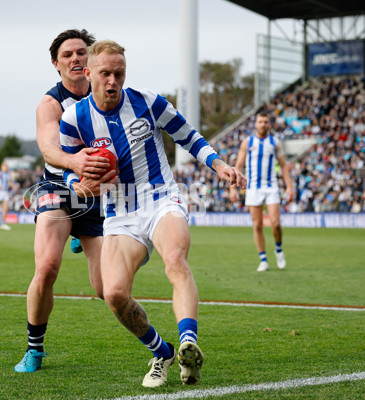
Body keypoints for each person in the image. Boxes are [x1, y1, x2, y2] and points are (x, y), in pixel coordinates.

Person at [60, 40, 246, 388]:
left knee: (175, 257)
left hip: (161, 198)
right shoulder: (73, 119)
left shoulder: (146, 101)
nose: (112, 81)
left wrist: (218, 164)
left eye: (119, 73)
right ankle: (161, 352)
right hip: (118, 212)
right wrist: (81, 186)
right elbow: (70, 170)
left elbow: (188, 136)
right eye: (105, 74)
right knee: (113, 294)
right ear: (89, 74)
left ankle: (189, 340)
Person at [14, 28, 113, 373]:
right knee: (46, 269)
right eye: (67, 55)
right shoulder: (50, 103)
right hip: (57, 188)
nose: (75, 58)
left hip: (97, 194)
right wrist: (77, 164)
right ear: (56, 64)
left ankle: (85, 235)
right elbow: (49, 148)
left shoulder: (110, 97)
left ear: (92, 60)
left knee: (107, 290)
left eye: (82, 53)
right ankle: (34, 350)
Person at [229, 112, 294, 272]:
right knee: (257, 225)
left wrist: (289, 187)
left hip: (271, 187)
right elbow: (239, 165)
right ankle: (263, 259)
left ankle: (278, 249)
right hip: (253, 188)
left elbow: (284, 166)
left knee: (275, 223)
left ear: (269, 124)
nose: (263, 124)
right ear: (256, 124)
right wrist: (232, 189)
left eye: (266, 121)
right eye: (260, 121)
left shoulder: (275, 143)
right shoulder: (247, 142)